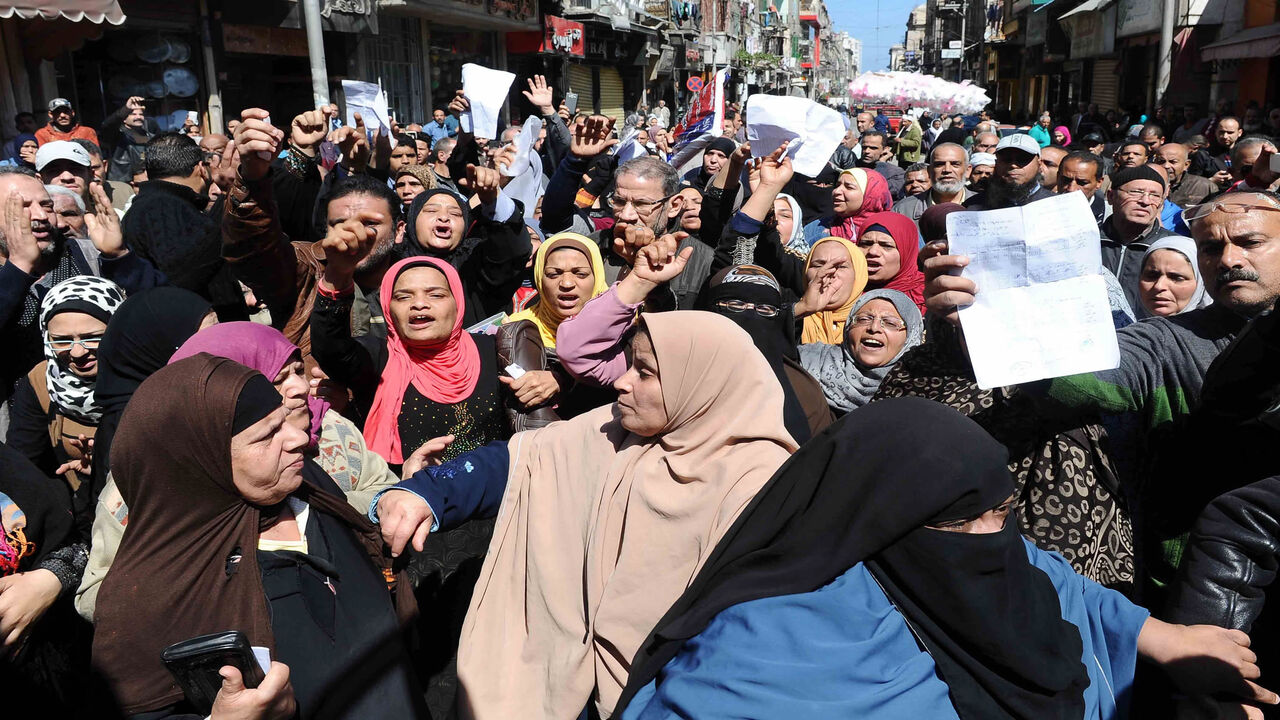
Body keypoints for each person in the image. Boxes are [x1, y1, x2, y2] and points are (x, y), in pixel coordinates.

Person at [615, 398, 1274, 720]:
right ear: (877, 522)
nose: (995, 536)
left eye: (1003, 510)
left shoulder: (995, 560)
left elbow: (1059, 583)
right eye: (963, 519)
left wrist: (1164, 639)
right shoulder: (770, 644)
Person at [372, 310, 799, 719]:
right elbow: (521, 462)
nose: (623, 383)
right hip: (568, 680)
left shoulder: (761, 484)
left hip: (671, 694)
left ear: (700, 384)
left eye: (645, 373)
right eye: (630, 365)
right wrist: (426, 492)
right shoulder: (615, 429)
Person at [91, 354, 423, 719]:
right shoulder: (151, 594)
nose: (298, 439)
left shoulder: (308, 486)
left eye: (284, 421)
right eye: (267, 435)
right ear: (200, 464)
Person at [75, 321, 401, 621]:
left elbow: (383, 493)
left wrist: (307, 516)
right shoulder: (146, 479)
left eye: (298, 370)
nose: (300, 388)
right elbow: (97, 594)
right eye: (276, 379)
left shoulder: (330, 427)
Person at [83, 286, 217, 539]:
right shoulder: (141, 427)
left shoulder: (184, 402)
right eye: (202, 341)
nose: (218, 348)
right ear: (159, 346)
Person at [6, 276, 126, 486]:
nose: (78, 352)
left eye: (92, 337)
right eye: (62, 340)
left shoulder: (148, 377)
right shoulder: (42, 381)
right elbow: (21, 463)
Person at [495, 232, 613, 430]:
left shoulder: (624, 327)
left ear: (598, 277)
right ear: (539, 279)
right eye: (553, 274)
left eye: (580, 273)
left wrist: (562, 377)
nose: (566, 283)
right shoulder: (515, 327)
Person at [123, 132, 246, 321]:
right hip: (199, 337)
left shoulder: (162, 205)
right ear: (200, 169)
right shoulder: (161, 207)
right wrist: (231, 196)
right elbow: (187, 272)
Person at [395, 185, 531, 324]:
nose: (443, 217)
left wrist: (493, 200)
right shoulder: (391, 263)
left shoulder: (475, 262)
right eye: (431, 210)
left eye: (455, 214)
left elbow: (512, 253)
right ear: (411, 222)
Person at [799, 288, 922, 415]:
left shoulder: (920, 385)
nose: (874, 328)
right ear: (848, 327)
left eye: (890, 323)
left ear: (910, 337)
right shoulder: (807, 360)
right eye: (863, 319)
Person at [1102, 165, 1183, 311]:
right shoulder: (1089, 241)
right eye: (1135, 192)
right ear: (1111, 196)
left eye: (1155, 195)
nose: (1145, 201)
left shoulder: (1173, 248)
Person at [797, 236, 869, 345]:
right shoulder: (790, 317)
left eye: (841, 267)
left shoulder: (874, 323)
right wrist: (801, 309)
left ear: (858, 275)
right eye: (818, 265)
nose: (828, 272)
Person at [965, 134, 1056, 210]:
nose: (1013, 165)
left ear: (1039, 164)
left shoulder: (1056, 205)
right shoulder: (973, 206)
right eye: (1006, 159)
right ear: (996, 164)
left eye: (1022, 159)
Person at [892, 142, 973, 222]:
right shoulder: (903, 210)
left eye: (955, 164)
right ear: (929, 171)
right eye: (939, 164)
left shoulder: (983, 206)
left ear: (967, 170)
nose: (947, 170)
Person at [1137, 236, 1210, 318]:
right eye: (1152, 276)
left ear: (1201, 284)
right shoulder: (1122, 326)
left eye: (1177, 278)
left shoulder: (1220, 330)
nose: (1159, 286)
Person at [100, 96, 152, 183]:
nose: (138, 117)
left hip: (145, 182)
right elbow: (107, 125)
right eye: (133, 114)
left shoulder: (149, 136)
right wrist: (126, 109)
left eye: (141, 114)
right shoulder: (117, 135)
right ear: (124, 119)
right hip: (123, 182)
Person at [1156, 142, 1215, 209]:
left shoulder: (1204, 186)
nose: (1166, 166)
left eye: (1173, 162)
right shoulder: (1147, 185)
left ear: (1186, 165)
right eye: (1161, 161)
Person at [1057, 150, 1108, 224]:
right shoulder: (1040, 206)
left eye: (1082, 183)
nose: (1072, 189)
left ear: (1099, 183)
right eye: (1066, 180)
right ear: (1058, 177)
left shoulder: (1108, 216)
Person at [855, 131, 905, 199]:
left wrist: (881, 164)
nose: (867, 151)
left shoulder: (896, 173)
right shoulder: (853, 166)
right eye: (864, 147)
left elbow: (879, 191)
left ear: (885, 149)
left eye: (873, 148)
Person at [34, 98, 99, 147]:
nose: (62, 115)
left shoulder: (87, 132)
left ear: (72, 113)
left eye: (66, 111)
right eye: (57, 112)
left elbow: (95, 156)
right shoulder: (42, 134)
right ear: (50, 114)